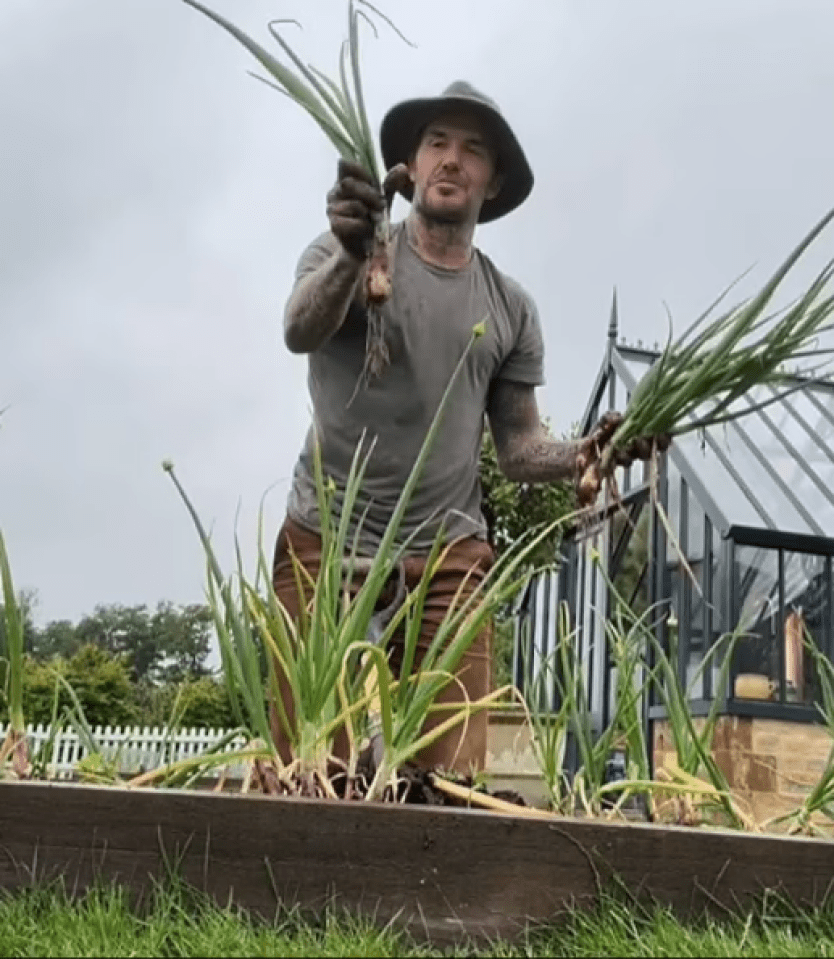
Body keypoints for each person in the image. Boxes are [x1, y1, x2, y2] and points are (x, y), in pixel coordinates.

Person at [272, 81, 656, 776]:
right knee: (307, 767)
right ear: (409, 167)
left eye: (472, 150)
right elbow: (301, 328)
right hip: (325, 540)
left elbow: (517, 447)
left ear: (493, 179)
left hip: (446, 553)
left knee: (447, 777)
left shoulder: (509, 306)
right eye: (437, 144)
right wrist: (352, 255)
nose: (452, 160)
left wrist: (587, 453)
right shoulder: (343, 254)